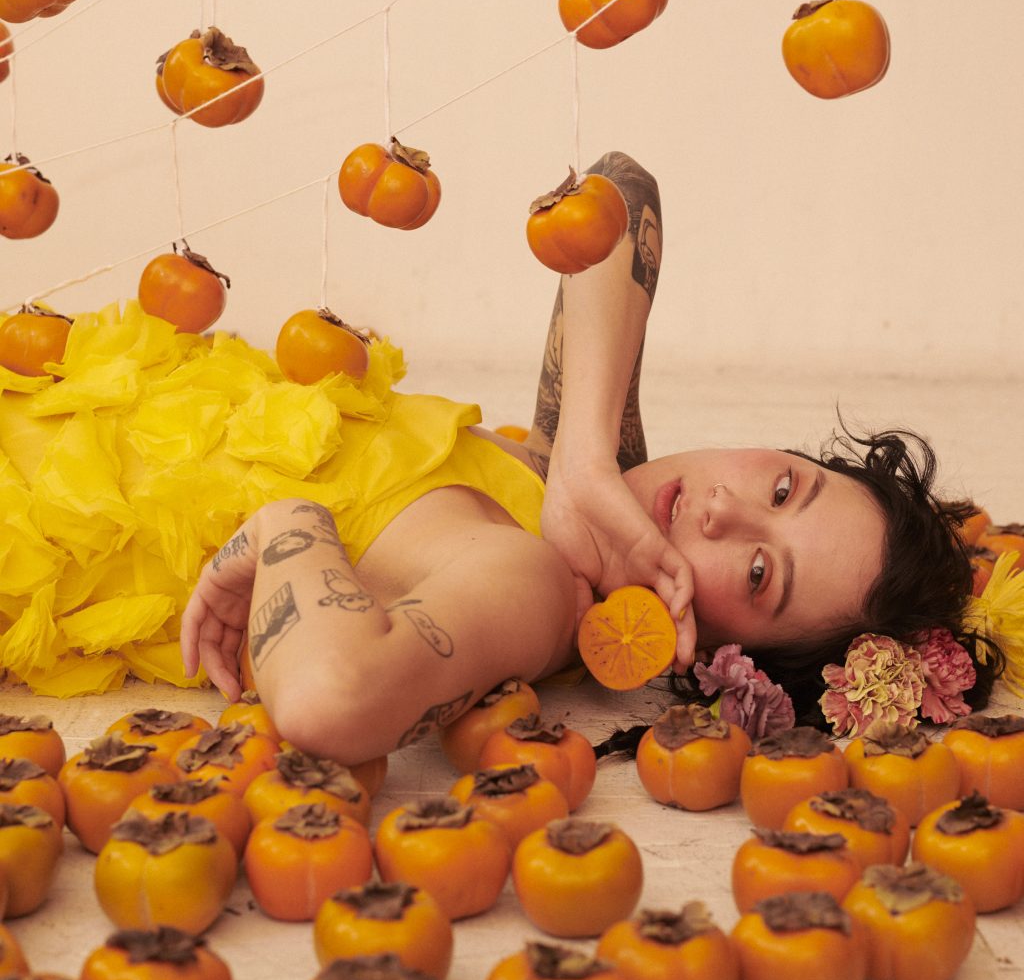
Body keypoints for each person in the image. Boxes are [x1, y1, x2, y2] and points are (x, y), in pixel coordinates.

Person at [181, 152, 1000, 765]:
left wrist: (288, 527)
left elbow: (334, 704)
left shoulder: (536, 586)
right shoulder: (583, 486)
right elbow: (613, 188)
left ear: (720, 656)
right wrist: (579, 455)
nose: (722, 511)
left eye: (757, 573)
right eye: (784, 488)